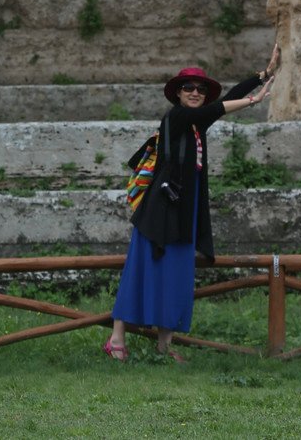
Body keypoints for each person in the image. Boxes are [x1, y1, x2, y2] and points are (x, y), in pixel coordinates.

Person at [105, 44, 279, 362]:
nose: (195, 92)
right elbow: (217, 109)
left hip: (184, 209)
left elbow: (221, 103)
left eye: (200, 89)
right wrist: (253, 101)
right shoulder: (178, 117)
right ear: (178, 94)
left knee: (177, 274)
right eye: (189, 88)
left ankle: (164, 345)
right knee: (140, 269)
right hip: (159, 209)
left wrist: (263, 75)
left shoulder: (196, 124)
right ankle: (116, 338)